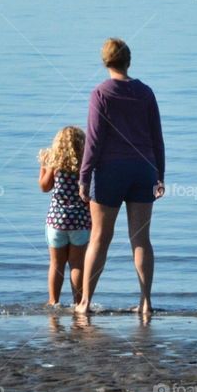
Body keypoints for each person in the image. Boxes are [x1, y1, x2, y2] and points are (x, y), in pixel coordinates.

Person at [75, 38, 165, 316]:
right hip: (143, 169)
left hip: (110, 171)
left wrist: (84, 176)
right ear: (129, 60)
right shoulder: (146, 92)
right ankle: (145, 301)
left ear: (105, 62)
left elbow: (94, 140)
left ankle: (85, 303)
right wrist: (160, 174)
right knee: (141, 239)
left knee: (100, 238)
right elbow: (156, 137)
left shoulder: (100, 93)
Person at [38, 126, 91, 306]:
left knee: (56, 264)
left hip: (56, 221)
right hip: (80, 220)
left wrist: (44, 167)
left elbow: (44, 187)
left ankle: (53, 302)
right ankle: (78, 303)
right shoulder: (85, 165)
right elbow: (89, 194)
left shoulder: (54, 163)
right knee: (77, 264)